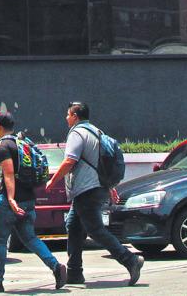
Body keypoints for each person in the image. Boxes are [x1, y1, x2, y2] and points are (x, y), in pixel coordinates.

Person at [45, 102, 144, 286]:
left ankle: (130, 260)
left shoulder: (76, 133)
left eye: (68, 114)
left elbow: (69, 160)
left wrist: (53, 180)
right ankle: (75, 272)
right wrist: (109, 187)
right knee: (73, 226)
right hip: (94, 187)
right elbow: (102, 164)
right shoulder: (96, 131)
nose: (66, 118)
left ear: (75, 116)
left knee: (95, 229)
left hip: (86, 189)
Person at [0, 111, 67, 292]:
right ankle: (56, 266)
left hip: (10, 202)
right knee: (30, 238)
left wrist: (10, 198)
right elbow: (13, 174)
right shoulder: (20, 144)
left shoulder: (2, 147)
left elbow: (10, 173)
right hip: (28, 199)